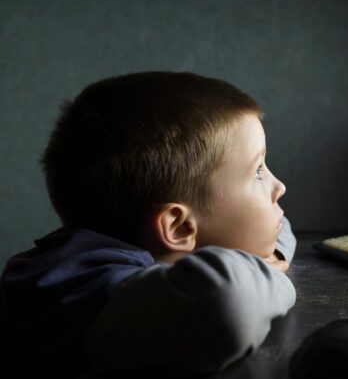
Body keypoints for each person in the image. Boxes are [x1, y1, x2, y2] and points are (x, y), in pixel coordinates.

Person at [0, 72, 296, 377]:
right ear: (179, 228)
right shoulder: (83, 289)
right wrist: (263, 270)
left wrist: (263, 259)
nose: (279, 187)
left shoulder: (128, 246)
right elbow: (231, 304)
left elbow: (278, 227)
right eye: (257, 171)